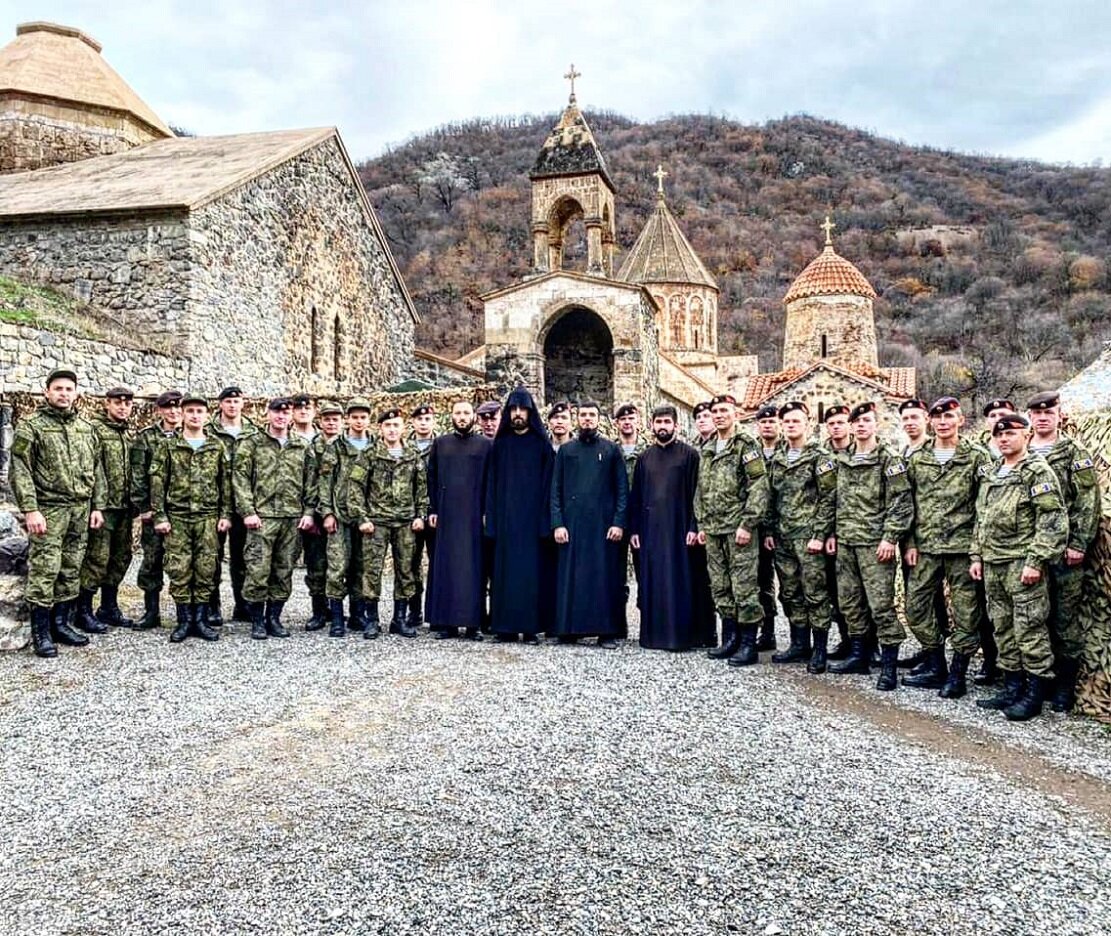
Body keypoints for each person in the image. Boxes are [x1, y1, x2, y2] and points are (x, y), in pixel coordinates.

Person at [971, 414, 1068, 721]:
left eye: (1011, 434)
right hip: (993, 562)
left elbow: (1052, 520)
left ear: (1025, 436)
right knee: (1002, 627)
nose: (1004, 439)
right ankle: (1012, 687)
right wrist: (976, 556)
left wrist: (1036, 560)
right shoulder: (992, 472)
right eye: (999, 435)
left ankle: (1034, 694)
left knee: (1030, 628)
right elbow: (981, 517)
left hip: (1021, 563)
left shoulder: (1036, 471)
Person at [11, 368, 105, 658]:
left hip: (80, 508)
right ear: (47, 392)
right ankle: (41, 632)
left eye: (69, 389)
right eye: (59, 388)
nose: (64, 394)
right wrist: (31, 510)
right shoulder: (31, 427)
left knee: (70, 566)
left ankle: (61, 623)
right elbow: (20, 470)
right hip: (49, 510)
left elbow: (98, 470)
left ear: (77, 394)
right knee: (45, 568)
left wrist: (98, 505)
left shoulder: (86, 429)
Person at [902, 397, 992, 697]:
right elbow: (907, 503)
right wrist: (911, 541)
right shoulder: (917, 458)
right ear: (931, 422)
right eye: (937, 417)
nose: (943, 422)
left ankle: (958, 673)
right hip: (925, 547)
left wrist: (977, 552)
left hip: (962, 549)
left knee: (967, 613)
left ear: (960, 420)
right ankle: (934, 661)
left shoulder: (976, 457)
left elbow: (985, 508)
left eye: (949, 417)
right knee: (915, 608)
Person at [828, 401, 913, 691]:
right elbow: (831, 500)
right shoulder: (842, 458)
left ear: (876, 425)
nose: (861, 425)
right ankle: (859, 656)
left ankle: (888, 666)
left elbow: (901, 502)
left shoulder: (889, 459)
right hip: (846, 542)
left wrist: (890, 538)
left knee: (881, 607)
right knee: (851, 604)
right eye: (857, 421)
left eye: (867, 420)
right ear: (851, 427)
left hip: (875, 546)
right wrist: (830, 534)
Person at [1026, 390, 1101, 712]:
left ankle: (1064, 687)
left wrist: (1078, 543)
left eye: (1049, 412)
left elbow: (1088, 500)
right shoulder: (1022, 450)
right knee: (1033, 618)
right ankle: (1037, 682)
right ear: (1029, 416)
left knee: (1064, 620)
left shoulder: (1074, 452)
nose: (1043, 417)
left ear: (1059, 415)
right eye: (1037, 413)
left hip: (1064, 551)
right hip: (1028, 549)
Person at [150, 394, 231, 643]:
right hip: (177, 517)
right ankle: (184, 620)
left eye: (199, 411)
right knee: (179, 567)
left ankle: (201, 619)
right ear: (182, 415)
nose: (195, 415)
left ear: (207, 415)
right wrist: (160, 515)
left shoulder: (216, 446)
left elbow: (225, 482)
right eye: (190, 411)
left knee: (206, 567)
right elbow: (157, 480)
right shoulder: (167, 445)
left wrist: (225, 514)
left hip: (207, 517)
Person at [764, 402, 837, 673]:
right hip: (783, 537)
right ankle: (799, 644)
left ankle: (819, 649)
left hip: (809, 538)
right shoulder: (778, 457)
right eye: (787, 421)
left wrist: (820, 534)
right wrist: (770, 530)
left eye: (796, 421)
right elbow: (770, 496)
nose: (791, 425)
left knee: (815, 592)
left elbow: (829, 497)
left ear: (807, 423)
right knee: (790, 592)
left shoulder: (820, 456)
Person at [698, 393, 769, 666]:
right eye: (715, 411)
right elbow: (701, 489)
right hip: (714, 528)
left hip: (738, 529)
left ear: (736, 413)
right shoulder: (709, 446)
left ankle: (748, 644)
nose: (718, 415)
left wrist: (748, 523)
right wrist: (702, 522)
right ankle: (730, 639)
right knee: (721, 585)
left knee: (744, 586)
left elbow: (758, 485)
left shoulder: (746, 445)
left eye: (724, 411)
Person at [234, 398, 314, 640]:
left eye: (286, 413)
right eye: (277, 412)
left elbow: (311, 482)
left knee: (283, 570)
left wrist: (309, 512)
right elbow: (240, 479)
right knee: (258, 569)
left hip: (291, 518)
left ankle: (274, 618)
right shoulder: (252, 444)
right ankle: (257, 620)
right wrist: (248, 511)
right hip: (262, 517)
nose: (281, 417)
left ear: (291, 417)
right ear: (267, 414)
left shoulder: (301, 446)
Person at [550, 399, 628, 647]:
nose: (587, 419)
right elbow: (556, 490)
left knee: (603, 577)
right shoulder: (566, 451)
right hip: (571, 526)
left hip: (603, 527)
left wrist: (618, 522)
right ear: (577, 418)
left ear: (599, 419)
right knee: (571, 577)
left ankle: (605, 632)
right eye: (583, 415)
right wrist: (557, 523)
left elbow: (622, 490)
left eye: (591, 415)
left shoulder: (612, 450)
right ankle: (569, 629)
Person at [348, 408, 429, 639]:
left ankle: (399, 619)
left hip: (405, 522)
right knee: (372, 570)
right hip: (377, 522)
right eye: (387, 426)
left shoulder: (412, 454)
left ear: (403, 428)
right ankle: (372, 619)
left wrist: (419, 515)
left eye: (396, 425)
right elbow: (355, 487)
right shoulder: (370, 453)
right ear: (380, 428)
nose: (392, 430)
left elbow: (421, 488)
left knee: (405, 571)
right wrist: (362, 518)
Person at [484, 388, 556, 643]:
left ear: (530, 413)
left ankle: (530, 627)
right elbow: (490, 486)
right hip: (505, 523)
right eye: (513, 409)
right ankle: (505, 627)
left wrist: (545, 522)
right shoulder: (500, 446)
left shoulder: (542, 446)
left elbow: (550, 487)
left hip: (532, 523)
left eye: (522, 409)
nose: (517, 414)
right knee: (504, 575)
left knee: (531, 576)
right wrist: (490, 522)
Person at [628, 405, 701, 650]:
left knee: (680, 580)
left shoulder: (690, 455)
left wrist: (693, 526)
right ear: (652, 426)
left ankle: (681, 637)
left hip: (680, 530)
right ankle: (653, 637)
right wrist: (634, 529)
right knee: (652, 581)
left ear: (676, 426)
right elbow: (636, 496)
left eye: (667, 422)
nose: (662, 426)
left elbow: (697, 495)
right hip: (650, 532)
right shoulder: (644, 457)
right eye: (658, 422)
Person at [426, 399, 490, 640]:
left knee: (474, 569)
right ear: (451, 416)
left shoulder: (486, 445)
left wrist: (488, 512)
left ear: (473, 416)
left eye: (466, 413)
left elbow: (491, 482)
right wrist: (432, 509)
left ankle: (473, 624)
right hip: (447, 515)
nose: (462, 417)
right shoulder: (441, 444)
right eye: (458, 413)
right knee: (447, 567)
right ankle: (447, 623)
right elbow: (431, 478)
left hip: (475, 515)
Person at [75, 386, 135, 634]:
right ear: (107, 404)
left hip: (124, 507)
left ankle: (109, 607)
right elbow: (91, 469)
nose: (123, 408)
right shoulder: (94, 430)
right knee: (97, 559)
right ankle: (83, 611)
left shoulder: (126, 433)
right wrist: (95, 505)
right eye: (118, 403)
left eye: (127, 404)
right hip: (103, 508)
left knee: (121, 557)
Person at [896, 398, 950, 672]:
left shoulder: (933, 451)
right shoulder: (904, 453)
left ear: (926, 420)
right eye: (905, 419)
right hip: (912, 539)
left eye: (915, 417)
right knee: (917, 597)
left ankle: (936, 655)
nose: (910, 423)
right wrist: (907, 541)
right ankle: (928, 651)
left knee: (933, 600)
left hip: (940, 540)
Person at [318, 398, 374, 637]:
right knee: (338, 566)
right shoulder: (335, 447)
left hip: (367, 516)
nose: (359, 421)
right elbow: (325, 481)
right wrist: (327, 513)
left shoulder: (375, 446)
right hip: (340, 516)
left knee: (362, 567)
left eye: (363, 417)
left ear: (369, 419)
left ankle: (358, 614)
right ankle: (337, 618)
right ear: (347, 420)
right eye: (355, 417)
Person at [130, 390, 183, 630]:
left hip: (182, 510)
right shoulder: (146, 437)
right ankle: (152, 612)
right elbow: (138, 474)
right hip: (154, 509)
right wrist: (144, 506)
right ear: (160, 410)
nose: (174, 412)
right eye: (168, 408)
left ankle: (188, 614)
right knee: (152, 561)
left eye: (177, 408)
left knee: (184, 562)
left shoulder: (193, 435)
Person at [208, 386, 259, 625]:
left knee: (242, 557)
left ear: (243, 404)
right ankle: (212, 606)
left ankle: (243, 604)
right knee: (212, 556)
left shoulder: (254, 433)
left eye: (236, 401)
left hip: (243, 504)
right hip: (214, 502)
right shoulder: (208, 431)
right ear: (220, 404)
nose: (232, 405)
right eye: (227, 401)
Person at [302, 400, 344, 632]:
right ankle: (319, 611)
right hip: (319, 513)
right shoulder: (313, 447)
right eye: (327, 419)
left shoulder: (348, 445)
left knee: (342, 564)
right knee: (317, 564)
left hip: (343, 512)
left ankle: (346, 610)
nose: (331, 423)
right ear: (320, 422)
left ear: (341, 421)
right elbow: (310, 482)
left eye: (335, 419)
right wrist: (311, 511)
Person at [821, 404, 854, 660]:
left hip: (860, 534)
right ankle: (846, 640)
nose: (836, 427)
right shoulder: (822, 456)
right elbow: (823, 498)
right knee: (836, 591)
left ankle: (867, 646)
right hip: (832, 536)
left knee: (862, 593)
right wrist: (827, 533)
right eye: (831, 423)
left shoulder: (863, 451)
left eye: (841, 422)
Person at [615, 401, 646, 639]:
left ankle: (648, 623)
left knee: (645, 572)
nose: (627, 422)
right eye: (623, 419)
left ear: (638, 422)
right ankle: (618, 624)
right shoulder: (611, 450)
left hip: (642, 521)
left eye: (631, 418)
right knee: (615, 574)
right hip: (616, 520)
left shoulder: (647, 451)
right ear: (617, 423)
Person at [688, 401, 718, 648]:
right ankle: (704, 631)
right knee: (703, 579)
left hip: (723, 522)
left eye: (707, 415)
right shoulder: (693, 448)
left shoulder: (725, 445)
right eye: (698, 416)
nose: (703, 420)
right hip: (700, 522)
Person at [754, 403, 782, 652]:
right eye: (763, 422)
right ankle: (768, 630)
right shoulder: (752, 451)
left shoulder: (789, 450)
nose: (767, 425)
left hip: (786, 528)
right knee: (762, 580)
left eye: (772, 421)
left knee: (794, 585)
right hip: (758, 527)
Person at [408, 404, 437, 629]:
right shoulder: (405, 447)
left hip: (436, 512)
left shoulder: (443, 445)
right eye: (420, 419)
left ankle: (437, 611)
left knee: (438, 563)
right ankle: (414, 610)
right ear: (413, 422)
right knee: (411, 563)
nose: (424, 423)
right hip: (411, 513)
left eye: (428, 419)